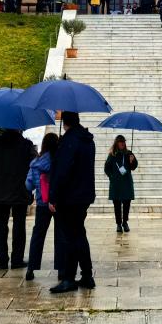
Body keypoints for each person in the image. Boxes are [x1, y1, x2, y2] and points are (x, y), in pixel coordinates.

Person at [48, 111, 96, 293]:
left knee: (68, 237)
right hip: (83, 195)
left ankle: (69, 278)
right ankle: (87, 275)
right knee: (79, 235)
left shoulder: (69, 140)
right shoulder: (87, 140)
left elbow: (62, 171)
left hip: (69, 197)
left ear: (64, 121)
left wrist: (53, 196)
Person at [0, 128, 36, 270]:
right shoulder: (26, 145)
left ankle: (2, 260)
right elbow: (34, 160)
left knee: (0, 226)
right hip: (20, 190)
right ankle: (17, 260)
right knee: (19, 226)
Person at [25, 133, 59, 281]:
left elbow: (28, 185)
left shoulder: (35, 163)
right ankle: (62, 269)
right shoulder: (60, 161)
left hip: (42, 203)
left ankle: (31, 268)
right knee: (61, 235)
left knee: (38, 235)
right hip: (58, 203)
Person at [104, 135, 139, 233]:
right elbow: (107, 168)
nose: (122, 143)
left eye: (123, 141)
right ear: (116, 143)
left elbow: (133, 167)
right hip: (116, 184)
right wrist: (112, 176)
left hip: (126, 182)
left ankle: (125, 222)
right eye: (120, 142)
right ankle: (118, 224)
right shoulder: (112, 155)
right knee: (117, 205)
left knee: (127, 204)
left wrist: (132, 161)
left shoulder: (129, 154)